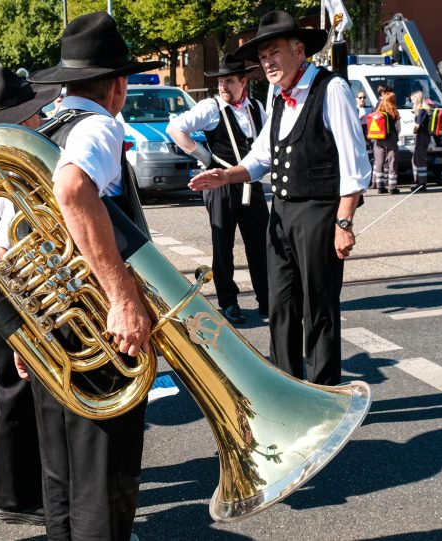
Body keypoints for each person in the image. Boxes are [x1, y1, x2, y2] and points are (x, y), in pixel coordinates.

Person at [25, 11, 161, 540]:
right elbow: (74, 190)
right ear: (118, 85)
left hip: (47, 320)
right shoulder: (99, 124)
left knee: (61, 471)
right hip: (94, 323)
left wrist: (24, 324)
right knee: (105, 474)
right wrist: (123, 298)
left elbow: (5, 238)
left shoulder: (41, 130)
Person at [189, 10, 371, 386]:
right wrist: (225, 174)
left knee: (317, 309)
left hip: (320, 213)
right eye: (263, 56)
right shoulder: (277, 97)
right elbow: (261, 157)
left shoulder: (330, 88)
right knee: (281, 306)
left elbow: (355, 167)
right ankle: (288, 389)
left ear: (299, 50)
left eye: (274, 52)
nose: (267, 62)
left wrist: (344, 222)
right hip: (282, 213)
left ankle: (324, 394)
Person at [0, 67, 60, 526]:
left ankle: (12, 487)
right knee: (18, 389)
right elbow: (10, 237)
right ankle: (19, 496)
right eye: (36, 116)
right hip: (7, 287)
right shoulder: (8, 164)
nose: (41, 123)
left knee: (5, 389)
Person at [166, 53, 269, 323]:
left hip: (250, 181)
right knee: (222, 245)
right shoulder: (211, 108)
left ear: (243, 82)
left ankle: (267, 299)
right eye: (220, 82)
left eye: (229, 82)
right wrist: (204, 157)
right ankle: (229, 302)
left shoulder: (257, 107)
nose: (223, 87)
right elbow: (175, 128)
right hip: (220, 184)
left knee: (261, 244)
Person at [371, 91, 401, 194]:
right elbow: (399, 128)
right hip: (391, 138)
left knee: (379, 162)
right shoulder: (394, 112)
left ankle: (380, 186)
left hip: (378, 139)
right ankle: (392, 187)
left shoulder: (377, 111)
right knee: (392, 161)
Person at [410, 90, 431, 191]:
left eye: (413, 100)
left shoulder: (422, 110)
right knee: (416, 159)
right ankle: (419, 181)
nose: (412, 103)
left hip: (422, 137)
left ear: (418, 100)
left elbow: (417, 125)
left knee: (420, 159)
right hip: (424, 137)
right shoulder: (424, 110)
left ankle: (422, 183)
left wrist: (413, 131)